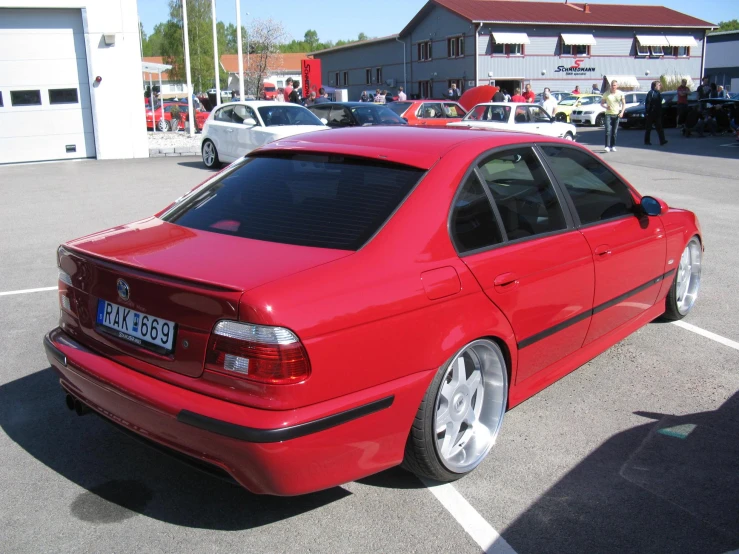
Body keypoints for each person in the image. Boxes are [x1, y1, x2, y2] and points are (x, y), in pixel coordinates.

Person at [601, 79, 625, 152]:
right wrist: (606, 107)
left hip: (616, 114)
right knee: (608, 130)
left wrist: (622, 112)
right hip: (608, 114)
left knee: (614, 132)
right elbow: (602, 103)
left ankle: (613, 146)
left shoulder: (620, 94)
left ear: (617, 86)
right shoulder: (606, 94)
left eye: (614, 85)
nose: (613, 87)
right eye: (612, 85)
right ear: (610, 86)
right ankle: (607, 146)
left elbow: (624, 104)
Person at [644, 81, 667, 146]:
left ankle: (662, 140)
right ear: (655, 86)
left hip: (657, 113)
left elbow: (662, 101)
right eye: (659, 85)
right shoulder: (651, 93)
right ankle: (647, 141)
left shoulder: (658, 93)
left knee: (659, 127)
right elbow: (648, 102)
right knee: (648, 128)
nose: (660, 86)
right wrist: (647, 112)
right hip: (651, 113)